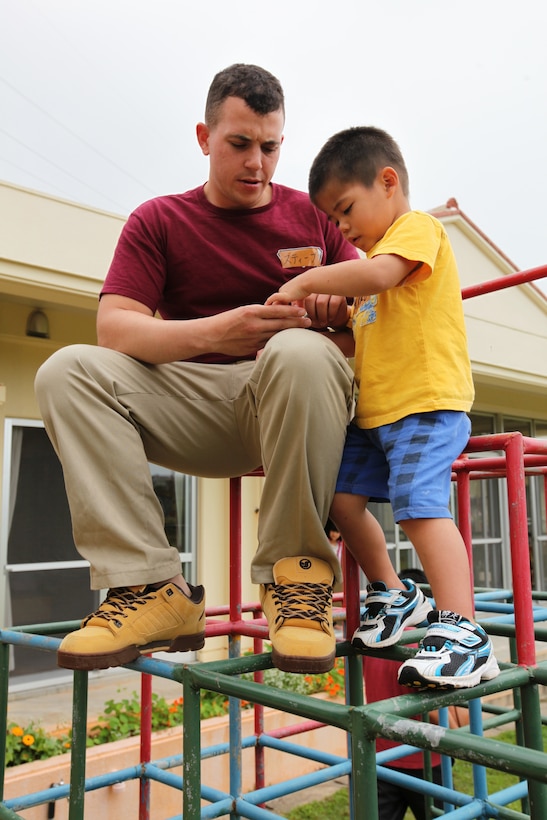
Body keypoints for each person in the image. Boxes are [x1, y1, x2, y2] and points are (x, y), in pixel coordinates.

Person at [34, 64, 358, 676]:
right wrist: (220, 331)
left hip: (289, 402)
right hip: (189, 403)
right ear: (205, 137)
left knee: (299, 351)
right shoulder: (158, 219)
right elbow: (116, 328)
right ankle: (150, 590)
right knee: (66, 369)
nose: (257, 164)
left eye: (270, 147)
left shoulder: (317, 219)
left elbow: (378, 308)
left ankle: (298, 582)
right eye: (239, 144)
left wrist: (341, 314)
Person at [266, 125, 500, 689]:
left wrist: (306, 283)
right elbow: (364, 328)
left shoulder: (415, 232)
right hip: (373, 417)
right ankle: (396, 593)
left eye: (345, 211)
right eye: (335, 220)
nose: (343, 229)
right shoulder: (371, 276)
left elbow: (378, 273)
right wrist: (329, 316)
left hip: (423, 405)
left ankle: (466, 632)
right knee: (342, 502)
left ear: (387, 182)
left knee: (419, 509)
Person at [364, 569, 469, 820]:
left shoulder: (373, 641)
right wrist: (457, 739)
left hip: (381, 755)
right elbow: (434, 710)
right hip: (425, 759)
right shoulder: (425, 648)